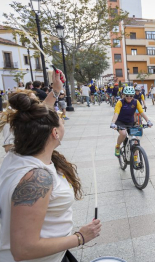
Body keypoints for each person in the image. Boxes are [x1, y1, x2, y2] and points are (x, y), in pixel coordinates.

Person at [0, 92, 101, 262]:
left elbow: (37, 117)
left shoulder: (15, 155)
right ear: (55, 132)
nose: (63, 123)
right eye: (61, 121)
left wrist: (55, 90)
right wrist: (81, 237)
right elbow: (23, 249)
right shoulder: (37, 177)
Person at [110, 86, 153, 157]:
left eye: (131, 95)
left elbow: (141, 112)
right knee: (123, 134)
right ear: (124, 95)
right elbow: (116, 113)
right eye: (127, 95)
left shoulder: (136, 102)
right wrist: (113, 123)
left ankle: (135, 160)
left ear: (133, 95)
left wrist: (148, 121)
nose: (129, 97)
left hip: (131, 122)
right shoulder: (120, 102)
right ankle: (117, 146)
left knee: (136, 141)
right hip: (120, 122)